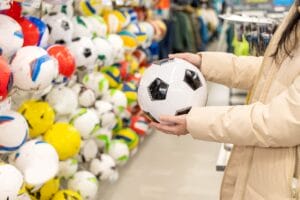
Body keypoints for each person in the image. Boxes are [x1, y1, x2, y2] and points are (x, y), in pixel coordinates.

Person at [150, 1, 300, 200]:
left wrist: (195, 121)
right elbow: (271, 72)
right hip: (265, 171)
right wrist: (204, 63)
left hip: (284, 180)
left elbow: (279, 121)